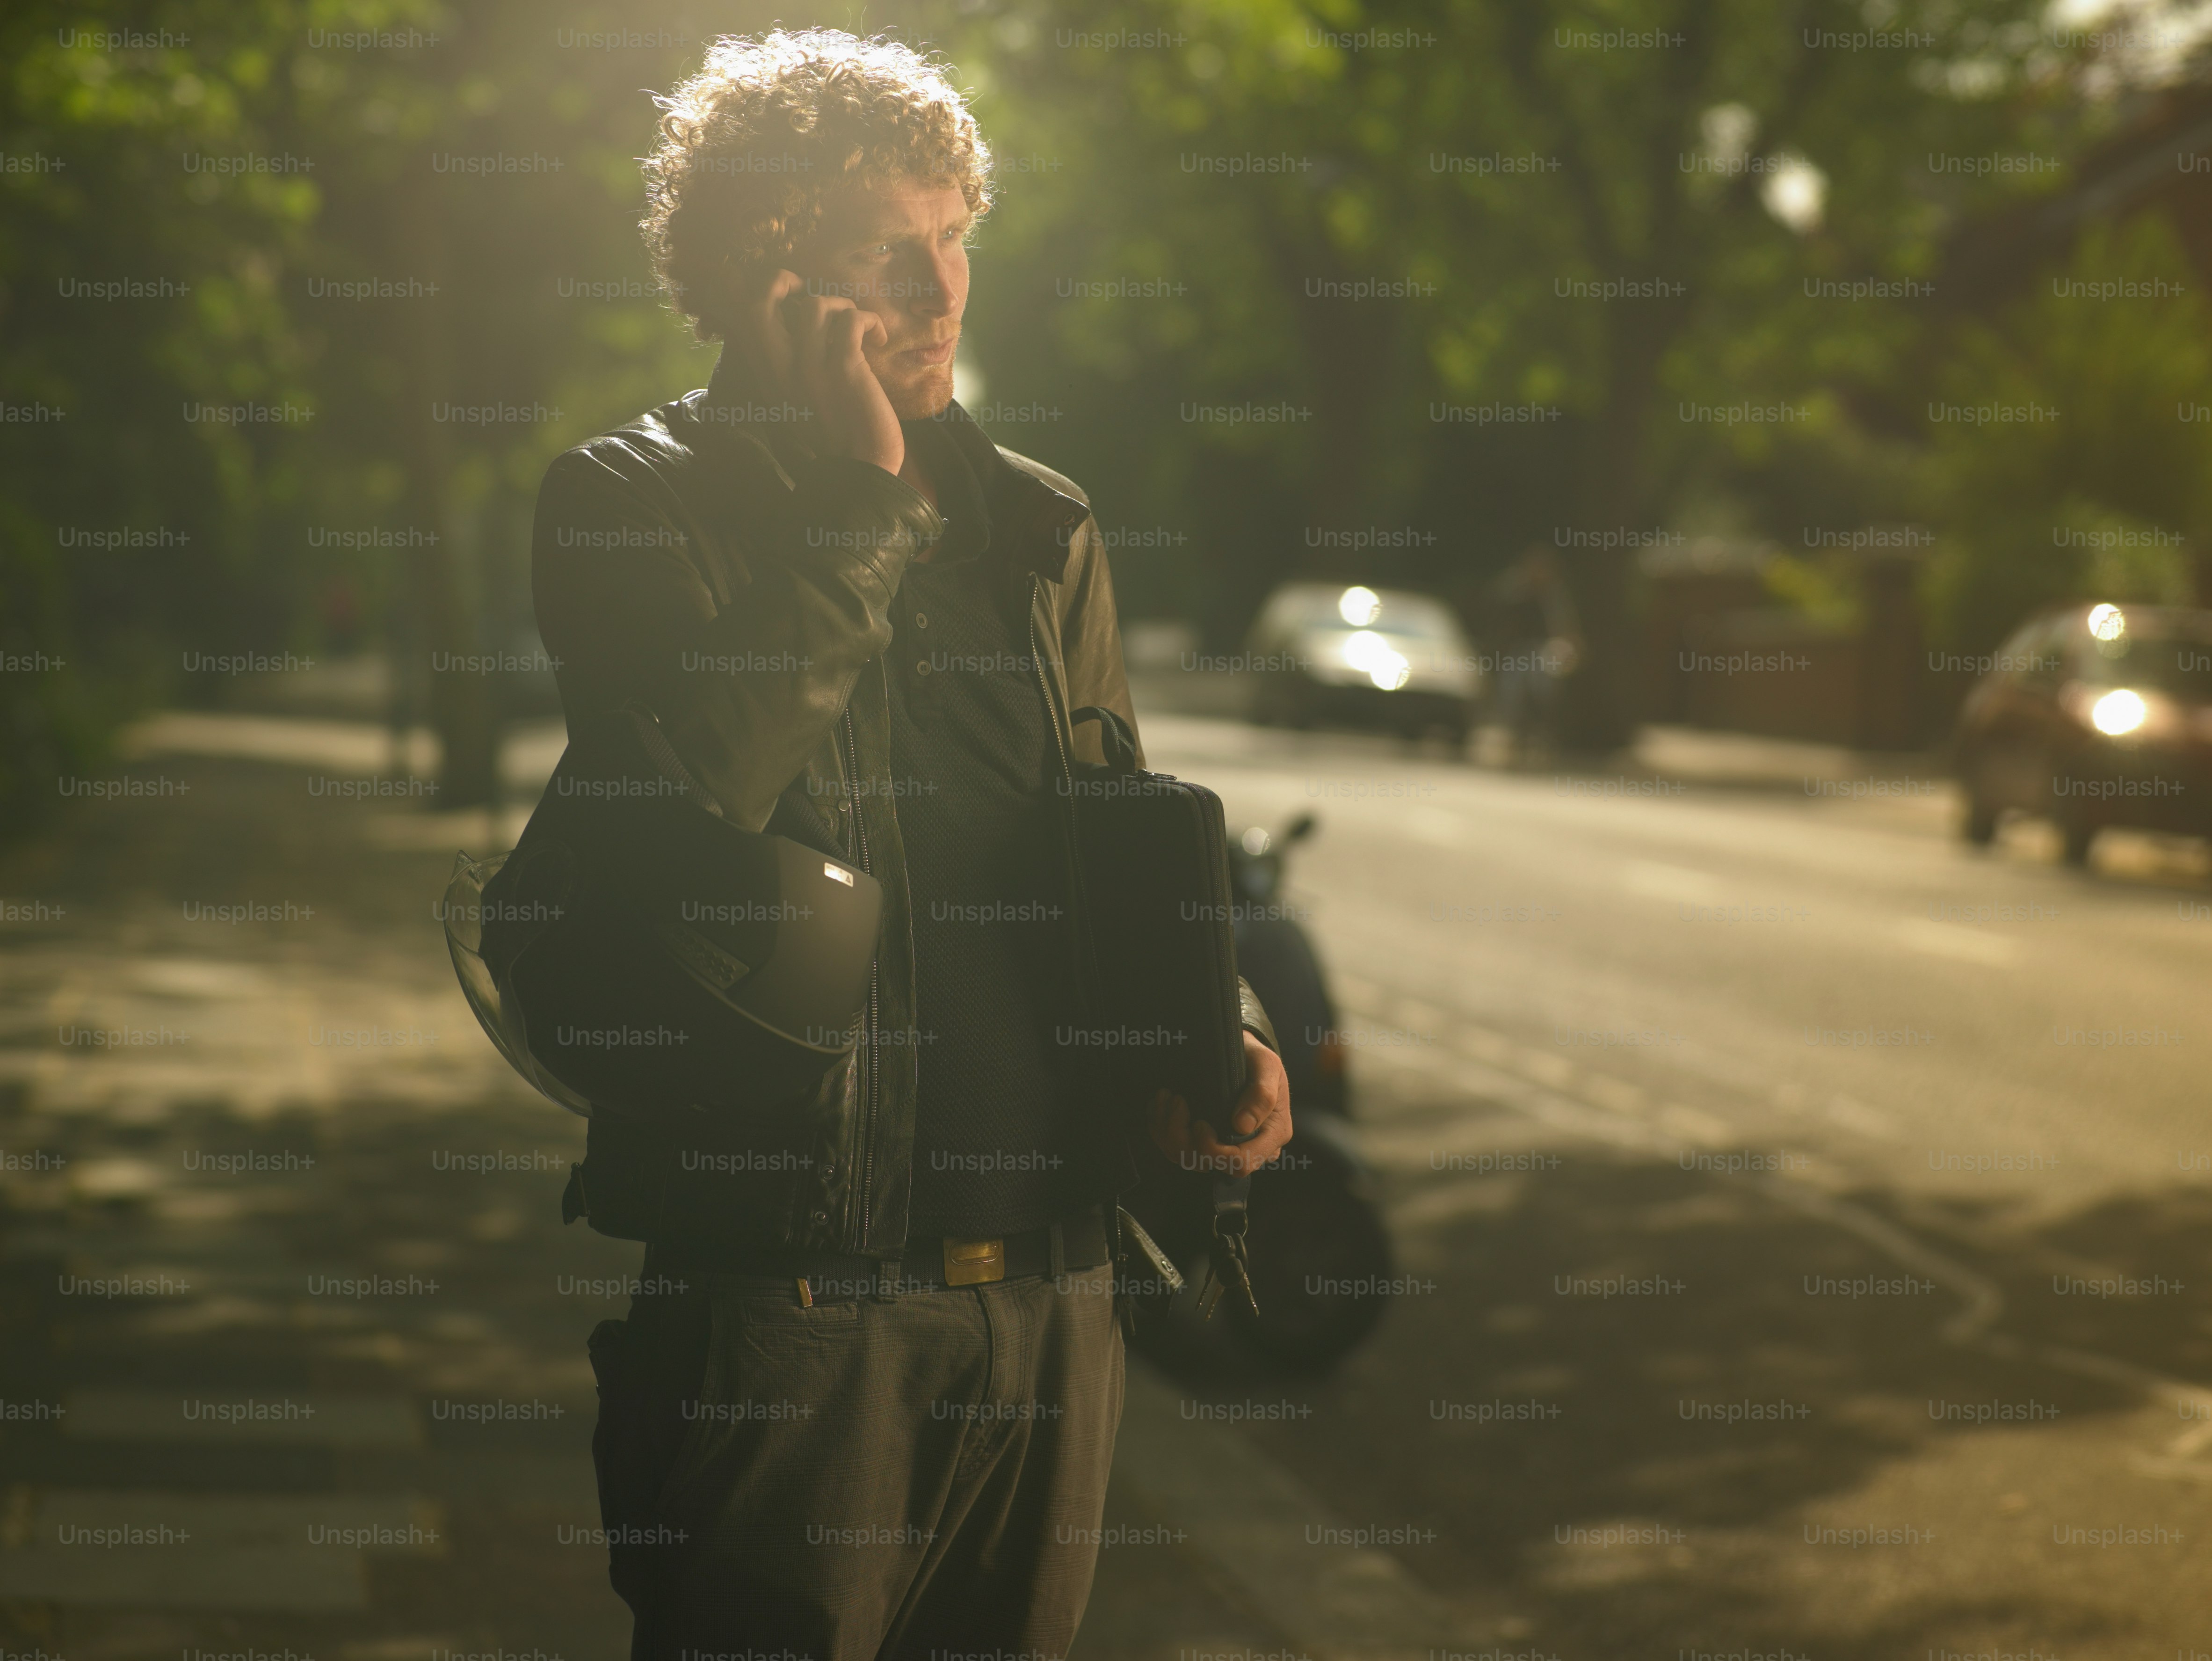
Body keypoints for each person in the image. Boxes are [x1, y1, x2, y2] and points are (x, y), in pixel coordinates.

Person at [527, 29, 1294, 1661]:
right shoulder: (628, 503)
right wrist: (859, 512)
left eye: (959, 240)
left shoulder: (1040, 523)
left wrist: (1216, 1034)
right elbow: (675, 822)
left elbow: (1116, 846)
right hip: (798, 1305)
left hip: (1052, 1295)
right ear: (766, 266)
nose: (946, 291)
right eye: (897, 248)